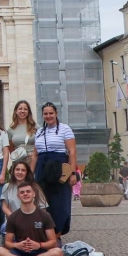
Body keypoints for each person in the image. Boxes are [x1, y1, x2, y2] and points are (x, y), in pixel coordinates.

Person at [0, 182, 63, 256]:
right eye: (22, 192)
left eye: (28, 191)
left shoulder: (45, 216)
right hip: (19, 252)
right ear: (18, 196)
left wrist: (39, 245)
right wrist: (17, 245)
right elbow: (8, 243)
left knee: (58, 253)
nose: (25, 194)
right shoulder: (12, 217)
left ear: (34, 194)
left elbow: (53, 242)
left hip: (40, 252)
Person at [30, 102, 76, 238]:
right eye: (45, 113)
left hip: (59, 167)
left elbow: (72, 151)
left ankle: (57, 234)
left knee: (60, 202)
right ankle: (47, 234)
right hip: (42, 168)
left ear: (56, 114)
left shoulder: (65, 129)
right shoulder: (39, 131)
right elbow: (34, 154)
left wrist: (72, 173)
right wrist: (30, 174)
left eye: (51, 113)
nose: (48, 116)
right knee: (44, 202)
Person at [0, 160, 47, 233]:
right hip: (14, 221)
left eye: (23, 170)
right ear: (13, 171)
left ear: (27, 173)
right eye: (17, 169)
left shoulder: (35, 187)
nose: (20, 172)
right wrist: (15, 219)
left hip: (33, 220)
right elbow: (4, 207)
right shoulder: (7, 187)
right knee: (4, 229)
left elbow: (43, 208)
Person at [7, 100, 37, 164]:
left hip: (33, 161)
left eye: (25, 109)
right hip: (19, 163)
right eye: (20, 109)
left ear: (28, 112)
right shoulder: (10, 130)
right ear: (16, 111)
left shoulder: (36, 127)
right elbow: (11, 150)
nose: (22, 111)